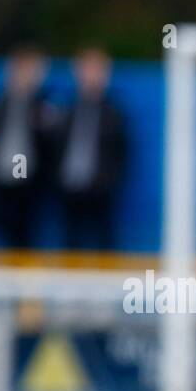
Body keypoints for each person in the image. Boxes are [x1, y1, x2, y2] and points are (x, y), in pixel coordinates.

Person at [0, 47, 56, 251]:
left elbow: (48, 138)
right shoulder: (1, 102)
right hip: (3, 174)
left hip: (28, 177)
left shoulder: (42, 103)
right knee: (5, 226)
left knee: (25, 228)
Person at [55, 48, 128, 251]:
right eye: (88, 69)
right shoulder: (65, 109)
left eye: (97, 70)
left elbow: (122, 152)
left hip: (101, 191)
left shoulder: (115, 112)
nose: (92, 76)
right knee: (71, 242)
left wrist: (109, 182)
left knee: (104, 242)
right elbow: (53, 148)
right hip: (69, 188)